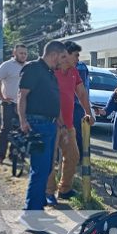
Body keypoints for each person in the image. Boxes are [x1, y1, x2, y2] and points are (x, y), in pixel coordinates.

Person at [17, 41, 67, 224]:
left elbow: (54, 99)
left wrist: (60, 123)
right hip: (37, 124)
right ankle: (29, 213)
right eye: (62, 58)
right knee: (39, 170)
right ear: (54, 54)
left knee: (46, 168)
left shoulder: (49, 73)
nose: (62, 63)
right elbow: (22, 95)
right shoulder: (33, 68)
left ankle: (37, 208)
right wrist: (23, 120)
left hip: (51, 125)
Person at [45, 41, 94, 205]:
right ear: (65, 54)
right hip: (50, 124)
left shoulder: (74, 72)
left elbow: (81, 93)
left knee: (73, 156)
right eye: (76, 55)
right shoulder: (51, 71)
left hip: (68, 125)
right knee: (49, 160)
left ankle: (64, 190)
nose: (78, 59)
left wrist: (88, 112)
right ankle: (48, 192)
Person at [0, 44, 28, 165]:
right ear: (14, 53)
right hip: (9, 103)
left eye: (25, 53)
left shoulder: (28, 67)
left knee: (20, 130)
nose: (23, 55)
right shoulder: (7, 65)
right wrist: (1, 97)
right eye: (20, 53)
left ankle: (14, 156)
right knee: (6, 129)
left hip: (23, 105)